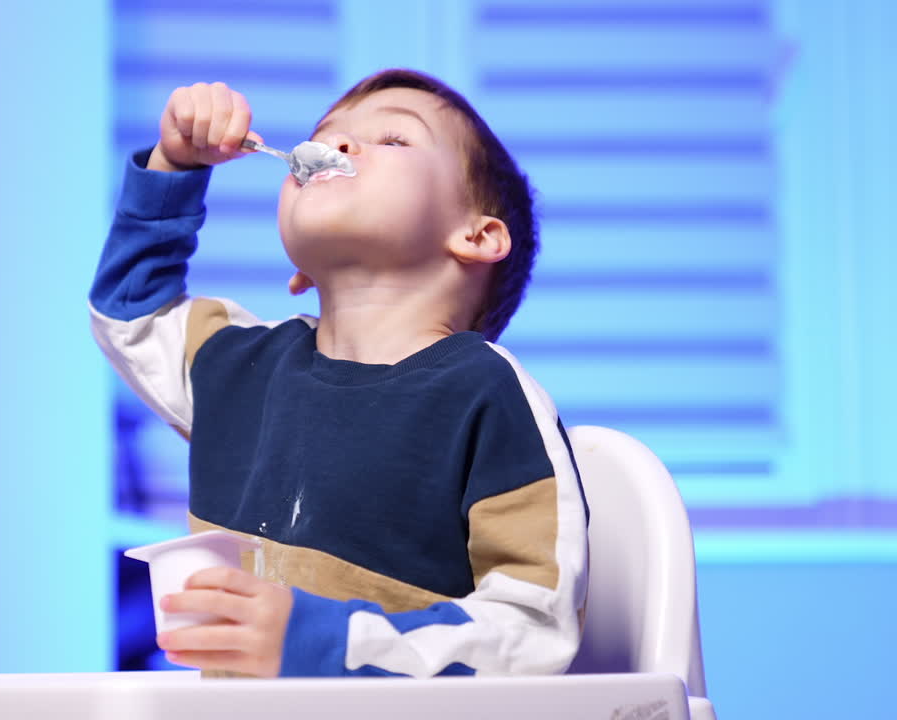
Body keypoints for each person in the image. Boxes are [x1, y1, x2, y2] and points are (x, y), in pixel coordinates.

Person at [89, 69, 588, 679]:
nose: (338, 145)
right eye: (326, 135)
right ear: (300, 272)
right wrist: (174, 164)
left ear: (477, 236)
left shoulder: (487, 396)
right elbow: (132, 315)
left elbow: (534, 632)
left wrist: (319, 645)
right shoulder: (239, 367)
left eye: (395, 139)